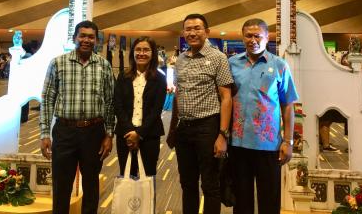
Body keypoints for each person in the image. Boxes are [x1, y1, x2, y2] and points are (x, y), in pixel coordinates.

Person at [40, 20, 115, 214]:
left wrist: (109, 134)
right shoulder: (58, 63)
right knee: (61, 185)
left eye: (91, 37)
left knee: (91, 185)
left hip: (94, 132)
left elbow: (110, 102)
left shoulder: (104, 65)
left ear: (96, 40)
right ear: (74, 38)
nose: (86, 40)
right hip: (64, 132)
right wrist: (45, 133)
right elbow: (47, 99)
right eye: (82, 36)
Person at [229, 18, 299, 214]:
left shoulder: (279, 65)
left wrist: (288, 141)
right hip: (238, 144)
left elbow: (288, 105)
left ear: (267, 38)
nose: (253, 40)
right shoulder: (232, 64)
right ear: (242, 38)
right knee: (241, 202)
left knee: (269, 201)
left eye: (257, 36)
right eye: (248, 36)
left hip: (268, 145)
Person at [167, 13, 233, 214]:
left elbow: (226, 97)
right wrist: (173, 129)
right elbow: (178, 94)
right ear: (183, 32)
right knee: (187, 183)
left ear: (207, 32)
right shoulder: (181, 59)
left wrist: (222, 135)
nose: (192, 33)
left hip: (208, 128)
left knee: (210, 184)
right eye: (188, 29)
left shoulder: (218, 58)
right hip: (184, 129)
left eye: (197, 28)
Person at [114, 36, 167, 182]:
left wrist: (139, 134)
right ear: (133, 53)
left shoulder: (159, 78)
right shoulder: (123, 76)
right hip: (125, 134)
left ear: (152, 53)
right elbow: (118, 105)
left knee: (148, 178)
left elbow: (156, 110)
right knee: (126, 176)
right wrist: (130, 131)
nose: (141, 53)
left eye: (146, 50)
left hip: (150, 134)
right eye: (138, 49)